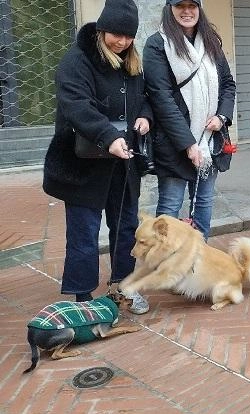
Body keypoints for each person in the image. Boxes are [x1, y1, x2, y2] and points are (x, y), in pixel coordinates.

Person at [42, 0, 152, 313]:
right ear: (102, 28)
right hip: (83, 163)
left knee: (126, 226)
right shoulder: (76, 61)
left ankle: (126, 285)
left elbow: (145, 97)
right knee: (84, 232)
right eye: (117, 34)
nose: (123, 41)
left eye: (129, 36)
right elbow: (77, 106)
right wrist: (110, 136)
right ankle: (82, 297)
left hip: (122, 163)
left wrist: (145, 117)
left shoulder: (131, 60)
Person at [143, 0, 236, 239]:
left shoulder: (211, 42)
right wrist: (187, 143)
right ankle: (163, 263)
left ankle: (199, 255)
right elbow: (160, 98)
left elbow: (227, 84)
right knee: (170, 208)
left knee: (203, 202)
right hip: (174, 143)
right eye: (180, 6)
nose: (187, 12)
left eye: (192, 6)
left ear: (199, 8)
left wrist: (221, 117)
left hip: (209, 138)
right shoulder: (157, 45)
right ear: (169, 9)